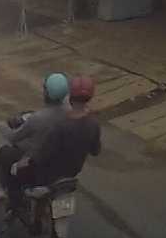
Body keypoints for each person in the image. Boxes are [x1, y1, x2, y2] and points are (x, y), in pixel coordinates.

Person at [6, 75, 101, 212]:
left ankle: (14, 206)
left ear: (70, 95)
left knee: (13, 170)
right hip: (71, 173)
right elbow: (95, 151)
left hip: (46, 175)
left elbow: (40, 154)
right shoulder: (94, 124)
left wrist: (20, 164)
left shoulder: (59, 126)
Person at [0, 72, 70, 200]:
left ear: (46, 93)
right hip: (59, 166)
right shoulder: (69, 115)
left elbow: (14, 137)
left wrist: (2, 127)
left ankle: (12, 199)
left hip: (36, 166)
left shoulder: (37, 119)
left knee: (5, 153)